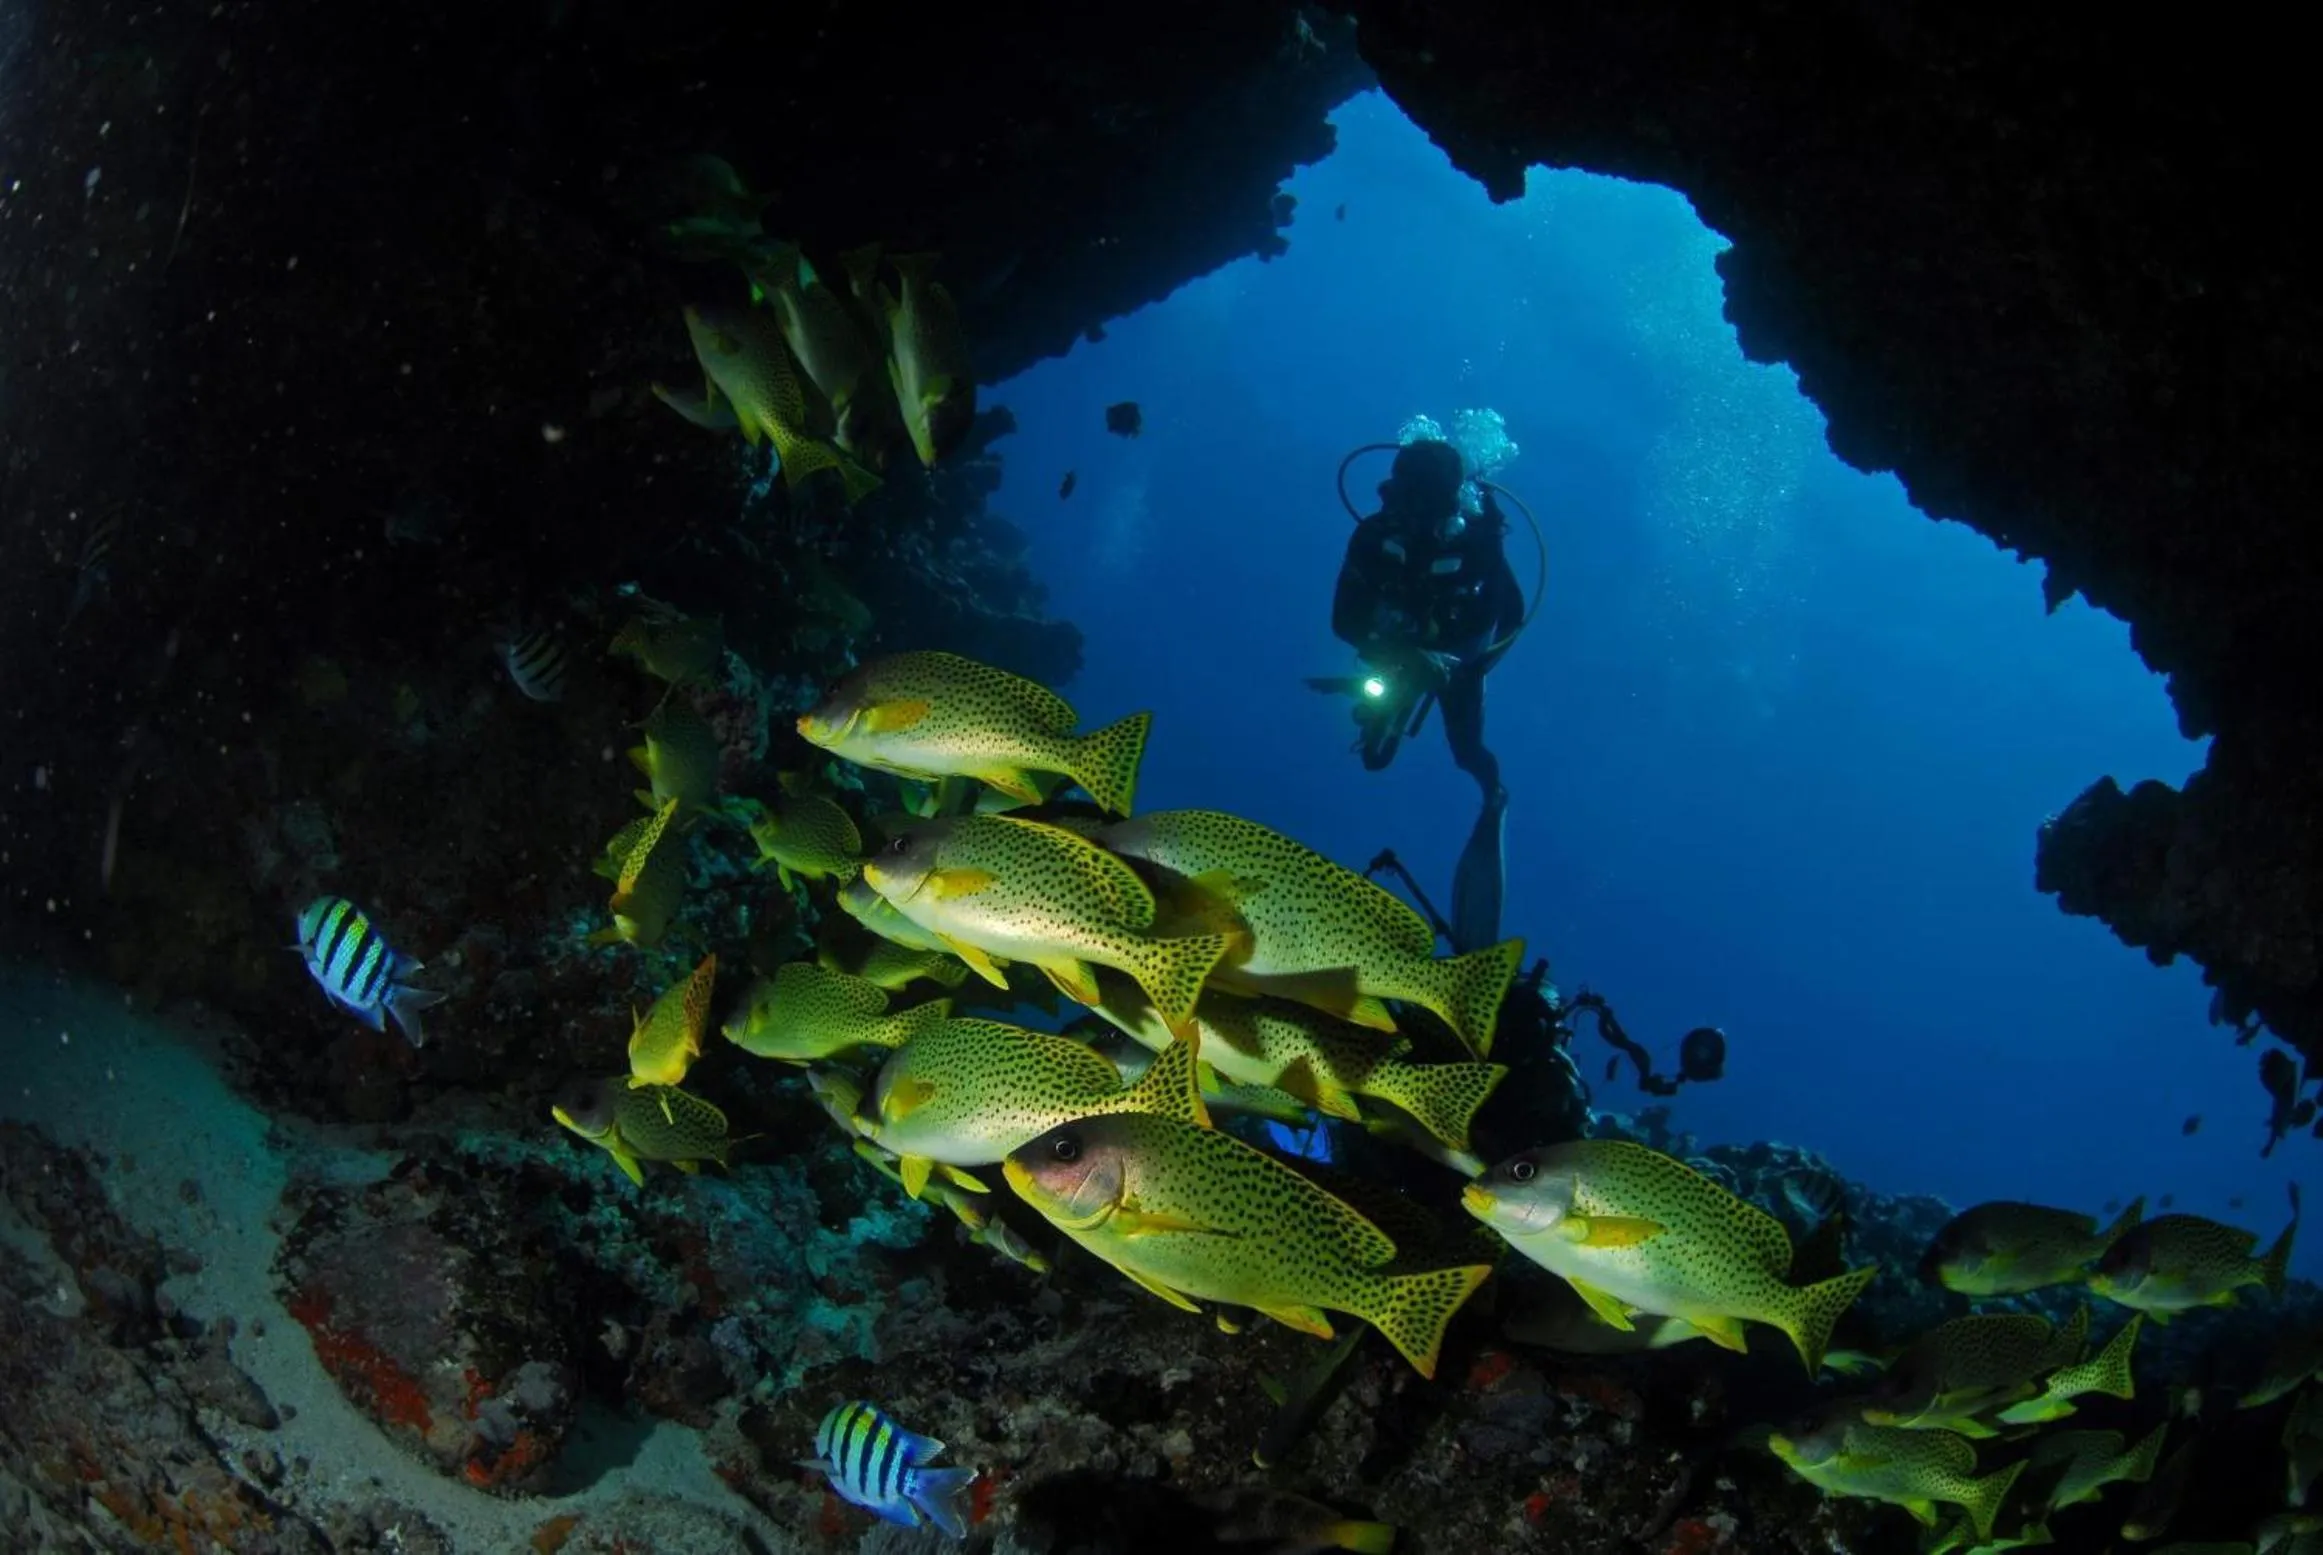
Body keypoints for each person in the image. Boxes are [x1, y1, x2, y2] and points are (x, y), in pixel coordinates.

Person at [1330, 436, 1527, 954]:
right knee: (1375, 755)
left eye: (1433, 506)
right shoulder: (1374, 537)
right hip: (1398, 649)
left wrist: (1476, 665)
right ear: (1394, 495)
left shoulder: (1479, 537)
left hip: (1460, 656)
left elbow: (1511, 610)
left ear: (1452, 501)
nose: (1421, 520)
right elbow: (1343, 619)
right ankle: (1388, 720)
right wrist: (1403, 652)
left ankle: (1494, 796)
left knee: (1467, 750)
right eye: (1411, 503)